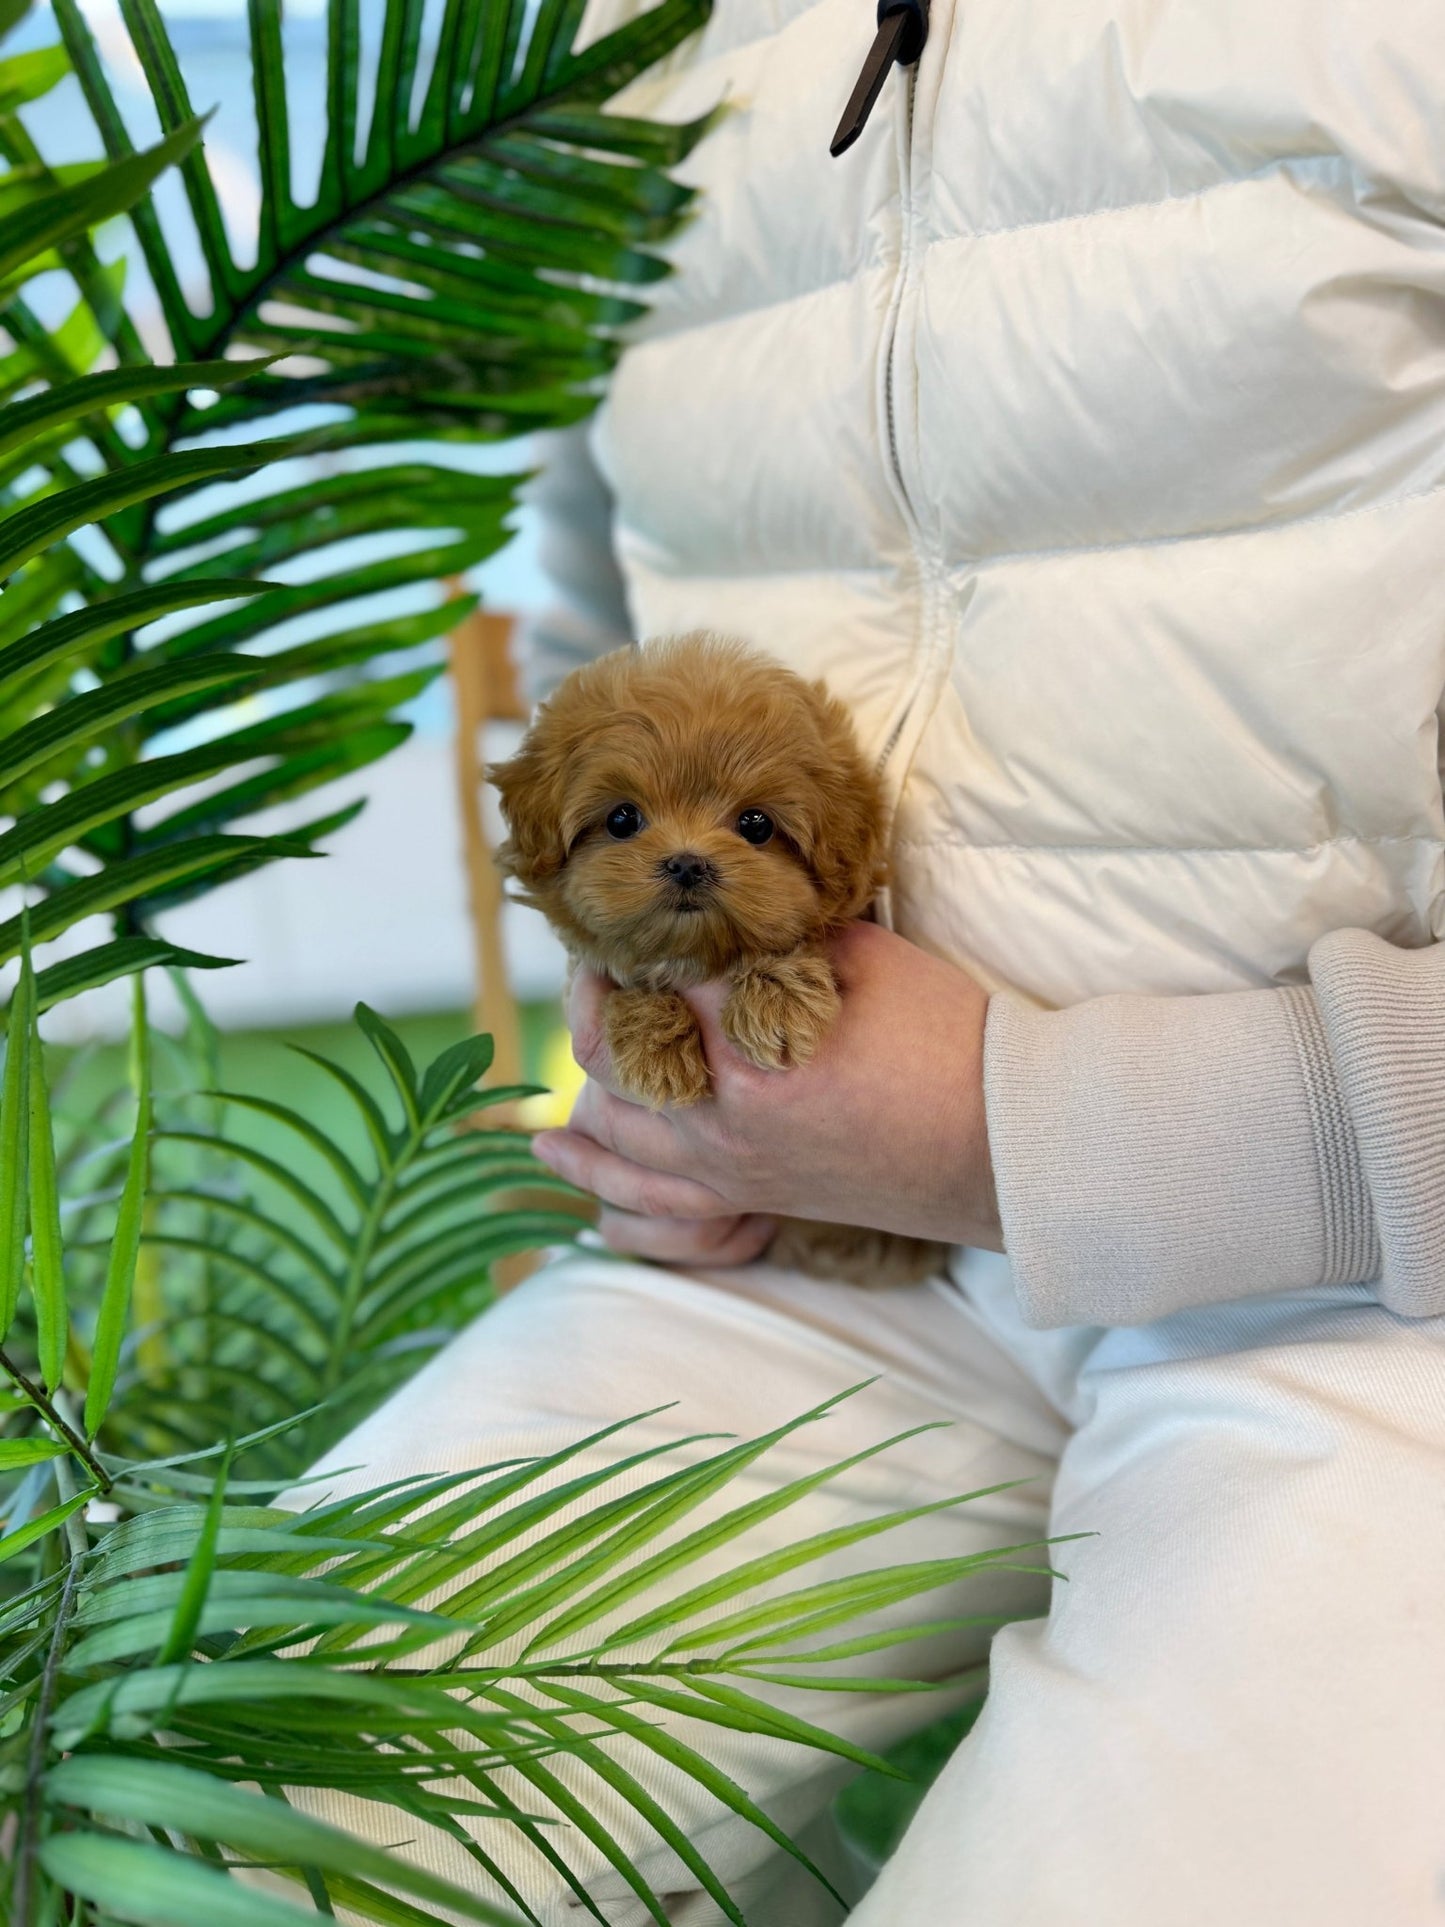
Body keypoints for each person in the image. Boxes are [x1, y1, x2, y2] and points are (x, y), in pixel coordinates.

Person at [302, 1, 1445, 1920]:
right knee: (219, 1825)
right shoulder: (620, 40)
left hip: (1381, 1290)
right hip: (810, 1251)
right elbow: (621, 612)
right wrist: (657, 1061)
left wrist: (1035, 1131)